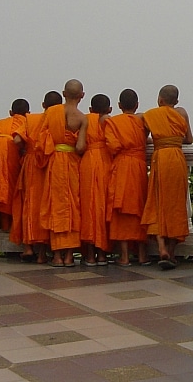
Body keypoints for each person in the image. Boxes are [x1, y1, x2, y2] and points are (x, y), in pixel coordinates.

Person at [141, 85, 193, 270]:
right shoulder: (182, 114)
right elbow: (188, 139)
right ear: (176, 101)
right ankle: (171, 252)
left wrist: (156, 140)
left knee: (157, 203)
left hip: (160, 158)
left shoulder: (150, 115)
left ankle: (161, 247)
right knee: (176, 205)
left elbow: (142, 138)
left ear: (160, 100)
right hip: (177, 159)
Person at [39, 79, 87, 267]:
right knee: (72, 206)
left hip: (54, 162)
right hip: (71, 163)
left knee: (55, 206)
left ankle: (57, 256)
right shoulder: (82, 118)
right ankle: (69, 256)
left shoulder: (51, 112)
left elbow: (40, 140)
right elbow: (81, 146)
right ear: (82, 96)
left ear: (64, 93)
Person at [11, 91, 61, 264]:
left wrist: (27, 149)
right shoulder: (60, 120)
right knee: (49, 205)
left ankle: (28, 248)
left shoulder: (30, 119)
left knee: (30, 204)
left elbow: (17, 140)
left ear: (43, 105)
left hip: (32, 163)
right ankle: (43, 253)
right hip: (52, 164)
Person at [104, 89, 149, 266]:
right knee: (139, 208)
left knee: (121, 211)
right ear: (137, 105)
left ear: (119, 106)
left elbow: (113, 147)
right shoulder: (142, 122)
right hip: (138, 167)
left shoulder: (112, 122)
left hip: (122, 166)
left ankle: (124, 256)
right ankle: (143, 254)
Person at [0, 99, 29, 235]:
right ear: (28, 113)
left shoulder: (1, 122)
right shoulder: (25, 122)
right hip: (10, 148)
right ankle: (5, 224)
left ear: (10, 112)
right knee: (9, 186)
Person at [80, 93, 112, 266]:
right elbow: (115, 144)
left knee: (88, 207)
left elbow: (79, 144)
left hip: (87, 162)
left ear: (90, 109)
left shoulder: (85, 119)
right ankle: (102, 254)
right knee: (102, 206)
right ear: (109, 109)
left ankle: (90, 255)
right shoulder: (109, 121)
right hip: (106, 162)